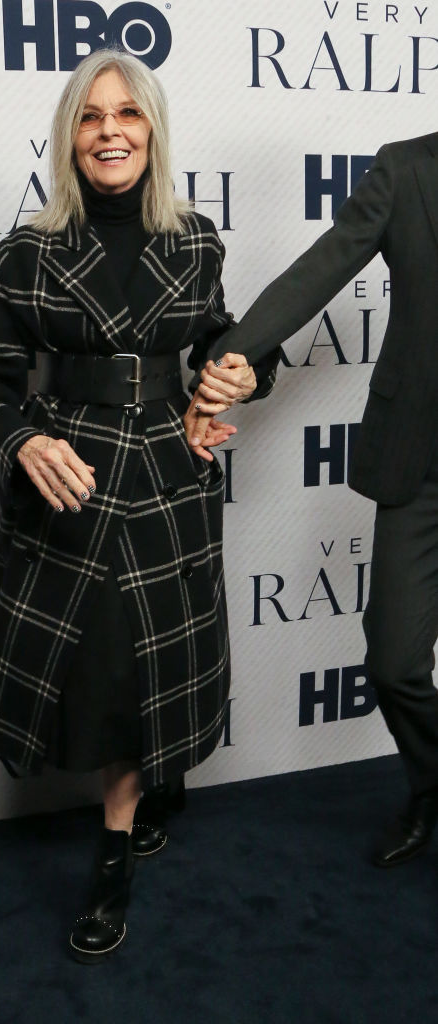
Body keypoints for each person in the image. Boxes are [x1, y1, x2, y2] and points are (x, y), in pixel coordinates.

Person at [0, 48, 277, 963]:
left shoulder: (195, 240)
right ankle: (122, 832)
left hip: (169, 475)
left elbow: (221, 342)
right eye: (91, 116)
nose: (109, 131)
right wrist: (23, 443)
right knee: (101, 666)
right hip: (73, 478)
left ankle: (125, 831)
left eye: (126, 114)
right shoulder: (26, 252)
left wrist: (240, 378)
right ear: (70, 136)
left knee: (154, 663)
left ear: (151, 130)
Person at [186, 131, 438, 869]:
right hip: (419, 461)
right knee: (393, 661)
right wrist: (225, 361)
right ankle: (430, 784)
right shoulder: (405, 168)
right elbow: (317, 273)